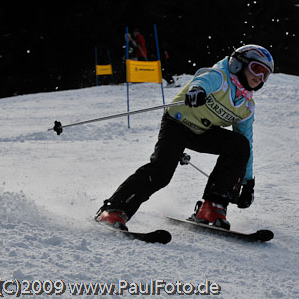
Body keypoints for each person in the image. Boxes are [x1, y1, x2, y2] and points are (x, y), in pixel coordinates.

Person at [95, 44, 274, 230]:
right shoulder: (219, 77)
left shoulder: (246, 106)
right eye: (257, 68)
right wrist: (197, 92)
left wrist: (248, 182)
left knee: (240, 145)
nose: (259, 77)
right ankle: (114, 209)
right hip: (177, 125)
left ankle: (213, 206)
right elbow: (202, 81)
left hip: (203, 132)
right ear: (239, 64)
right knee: (161, 172)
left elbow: (247, 142)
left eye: (265, 74)